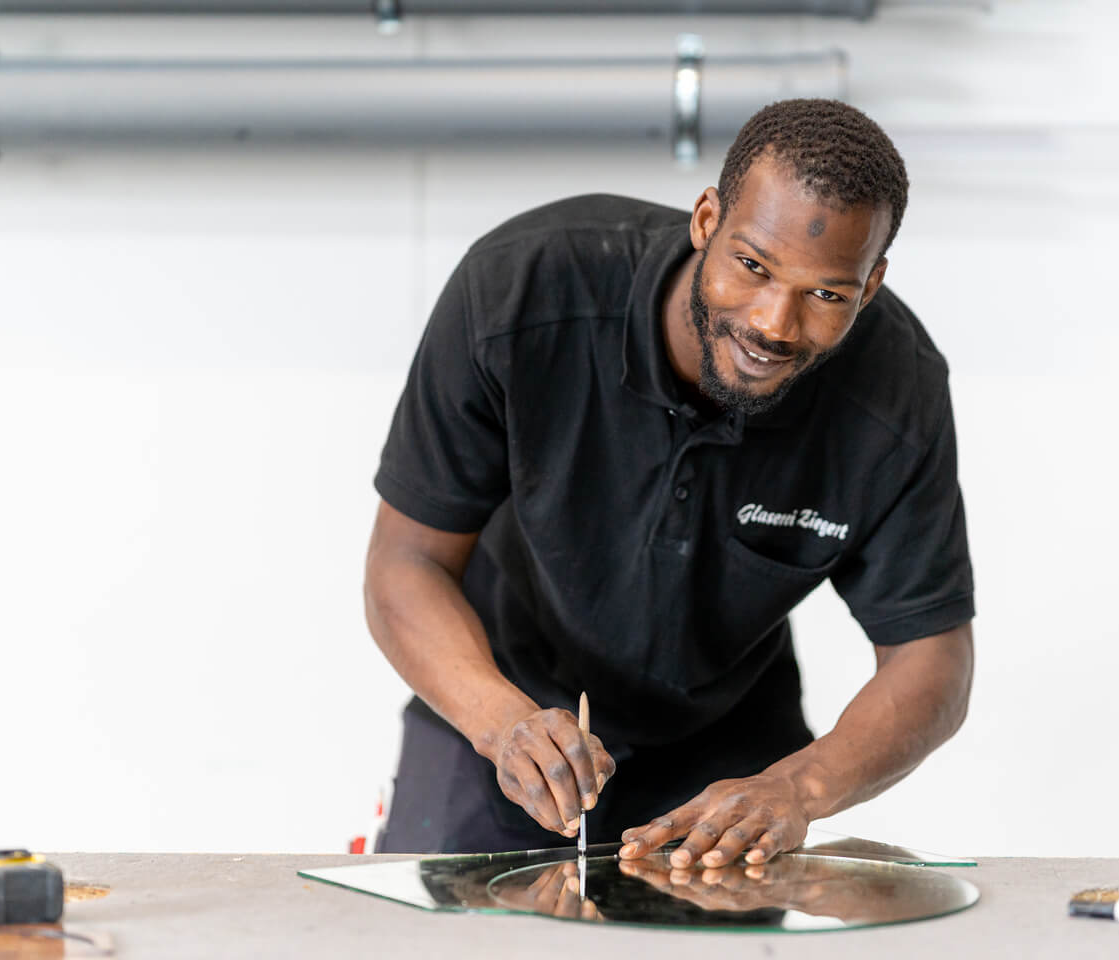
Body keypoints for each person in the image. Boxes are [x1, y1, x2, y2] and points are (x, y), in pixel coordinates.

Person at [366, 98, 975, 871]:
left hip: (728, 759)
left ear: (872, 282)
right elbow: (405, 563)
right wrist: (501, 723)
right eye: (751, 265)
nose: (775, 324)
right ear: (706, 219)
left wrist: (799, 787)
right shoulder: (520, 292)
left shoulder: (897, 394)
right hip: (499, 700)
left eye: (826, 294)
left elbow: (933, 656)